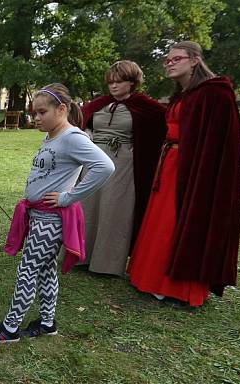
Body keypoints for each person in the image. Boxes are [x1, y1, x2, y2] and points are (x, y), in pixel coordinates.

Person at [0, 84, 114, 343]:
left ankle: (10, 329)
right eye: (34, 113)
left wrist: (68, 197)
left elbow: (104, 167)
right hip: (38, 216)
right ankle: (47, 323)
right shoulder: (52, 135)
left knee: (27, 271)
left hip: (51, 220)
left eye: (41, 112)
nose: (36, 118)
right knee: (45, 270)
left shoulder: (72, 137)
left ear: (61, 109)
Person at [127, 41, 240, 307]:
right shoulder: (185, 94)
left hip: (194, 171)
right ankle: (152, 279)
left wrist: (197, 170)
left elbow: (220, 144)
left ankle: (179, 289)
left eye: (176, 59)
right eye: (167, 60)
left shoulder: (215, 94)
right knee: (161, 221)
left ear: (194, 60)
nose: (169, 63)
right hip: (170, 165)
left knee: (178, 222)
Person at [79, 60, 166, 276]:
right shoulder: (99, 103)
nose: (114, 86)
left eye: (119, 81)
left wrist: (140, 146)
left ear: (132, 82)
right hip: (94, 159)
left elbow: (163, 128)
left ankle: (105, 264)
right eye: (111, 82)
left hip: (123, 163)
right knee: (87, 206)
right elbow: (81, 120)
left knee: (114, 209)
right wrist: (87, 133)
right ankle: (80, 255)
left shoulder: (146, 106)